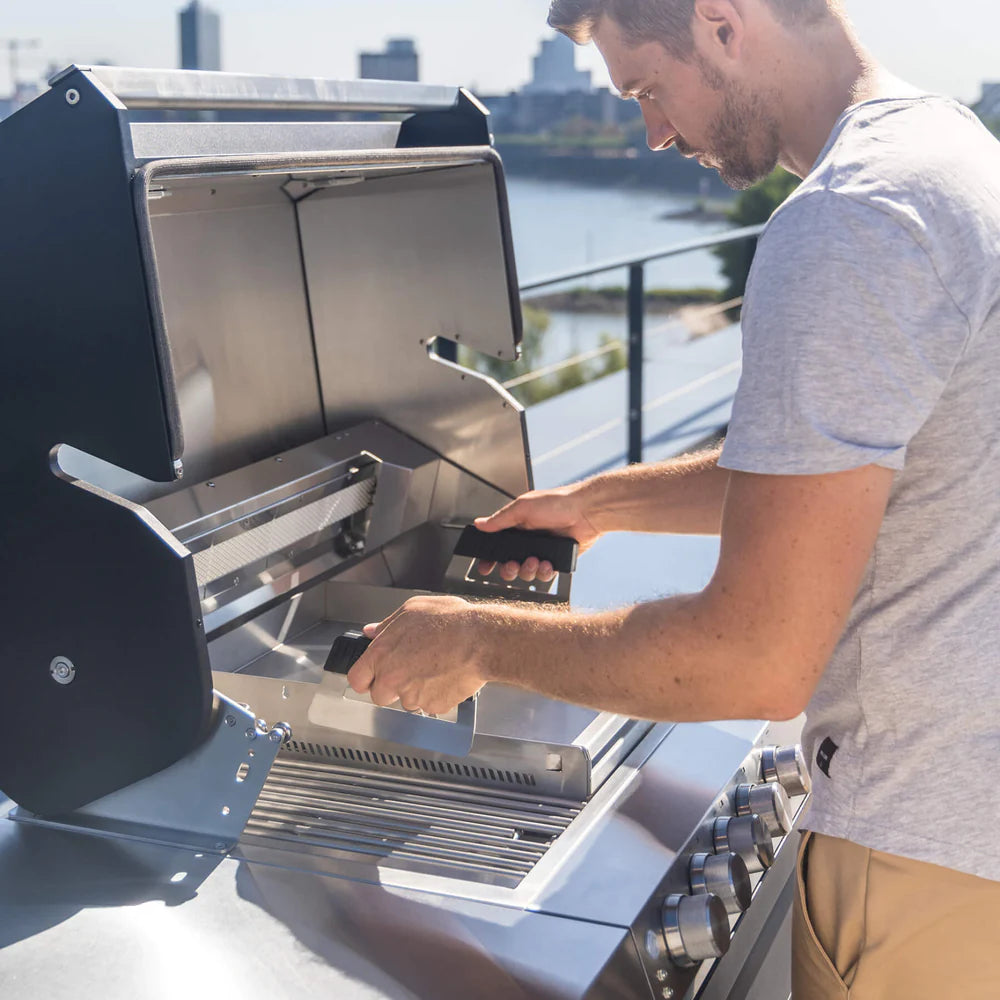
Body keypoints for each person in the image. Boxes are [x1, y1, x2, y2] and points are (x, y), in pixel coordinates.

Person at [349, 1, 1000, 995]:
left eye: (648, 88)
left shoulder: (844, 221)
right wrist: (599, 504)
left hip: (928, 859)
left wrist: (475, 640)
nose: (653, 132)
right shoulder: (946, 149)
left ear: (721, 21)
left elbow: (757, 657)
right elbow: (840, 460)